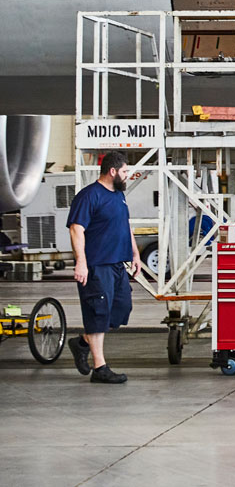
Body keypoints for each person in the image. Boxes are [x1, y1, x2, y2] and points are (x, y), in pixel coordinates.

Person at [66, 151, 140, 384]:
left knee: (121, 308)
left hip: (118, 264)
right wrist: (81, 262)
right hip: (97, 265)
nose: (127, 176)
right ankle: (100, 368)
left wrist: (135, 254)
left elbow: (125, 226)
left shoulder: (119, 196)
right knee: (98, 312)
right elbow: (76, 229)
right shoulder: (89, 196)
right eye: (125, 172)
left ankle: (82, 342)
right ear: (113, 171)